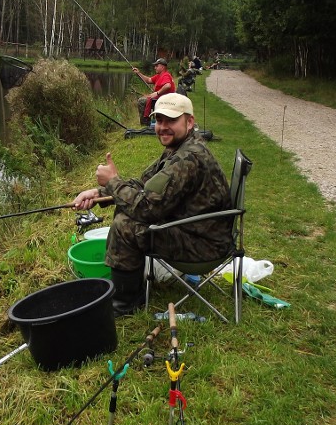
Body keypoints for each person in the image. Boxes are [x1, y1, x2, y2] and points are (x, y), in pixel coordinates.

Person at [74, 93, 232, 316]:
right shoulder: (179, 147)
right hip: (196, 231)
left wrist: (112, 182)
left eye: (171, 120)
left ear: (189, 122)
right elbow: (143, 184)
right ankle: (129, 291)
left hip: (204, 246)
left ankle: (125, 303)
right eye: (159, 120)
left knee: (126, 225)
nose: (163, 127)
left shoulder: (188, 158)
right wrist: (99, 192)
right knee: (126, 211)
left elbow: (147, 208)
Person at [132, 57, 175, 125]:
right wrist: (138, 73)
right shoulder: (159, 75)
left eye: (157, 66)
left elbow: (168, 85)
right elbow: (148, 80)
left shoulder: (165, 75)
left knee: (141, 101)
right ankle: (148, 120)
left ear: (162, 67)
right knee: (146, 98)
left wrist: (157, 93)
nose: (155, 68)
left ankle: (145, 122)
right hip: (162, 98)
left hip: (165, 100)